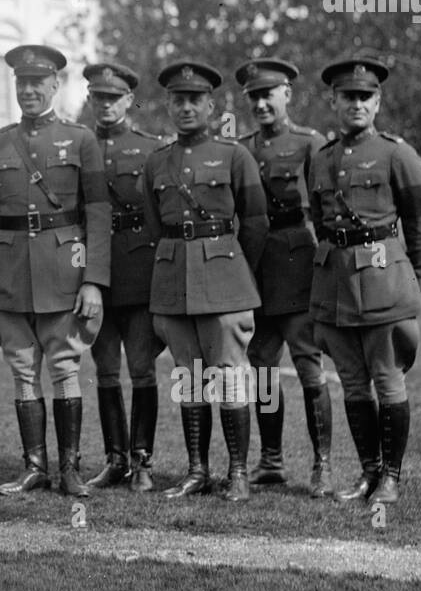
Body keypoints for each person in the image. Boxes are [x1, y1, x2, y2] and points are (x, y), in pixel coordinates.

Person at [0, 45, 110, 498]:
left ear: (56, 85)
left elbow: (97, 214)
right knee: (21, 369)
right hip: (9, 272)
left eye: (38, 82)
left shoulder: (80, 140)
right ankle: (34, 465)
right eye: (22, 82)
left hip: (63, 269)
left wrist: (93, 278)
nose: (29, 90)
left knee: (65, 365)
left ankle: (70, 469)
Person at [308, 56, 421, 505]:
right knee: (352, 382)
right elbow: (318, 221)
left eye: (366, 96)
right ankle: (367, 474)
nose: (357, 104)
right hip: (336, 286)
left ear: (378, 101)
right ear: (334, 101)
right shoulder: (322, 159)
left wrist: (410, 282)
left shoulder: (396, 153)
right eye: (349, 96)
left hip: (385, 281)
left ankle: (391, 478)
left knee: (388, 380)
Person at [141, 60, 268, 503]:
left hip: (225, 280)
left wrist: (231, 270)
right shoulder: (157, 161)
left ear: (211, 105)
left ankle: (237, 473)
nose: (186, 108)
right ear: (169, 106)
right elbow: (157, 226)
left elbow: (254, 223)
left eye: (195, 100)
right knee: (188, 377)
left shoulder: (235, 156)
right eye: (178, 100)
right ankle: (197, 470)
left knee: (231, 377)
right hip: (175, 280)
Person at [236, 58, 334, 497]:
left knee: (310, 370)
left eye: (268, 94)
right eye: (254, 96)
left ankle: (323, 466)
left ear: (287, 95)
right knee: (262, 372)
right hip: (254, 273)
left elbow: (328, 209)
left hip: (298, 270)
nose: (261, 103)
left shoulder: (309, 144)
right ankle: (271, 461)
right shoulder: (241, 149)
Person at [81, 61, 168, 492]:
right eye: (98, 97)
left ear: (129, 101)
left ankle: (143, 460)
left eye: (113, 98)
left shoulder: (150, 149)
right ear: (89, 100)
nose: (106, 105)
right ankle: (115, 460)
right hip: (94, 275)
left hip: (139, 271)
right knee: (105, 369)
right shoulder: (78, 145)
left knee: (142, 368)